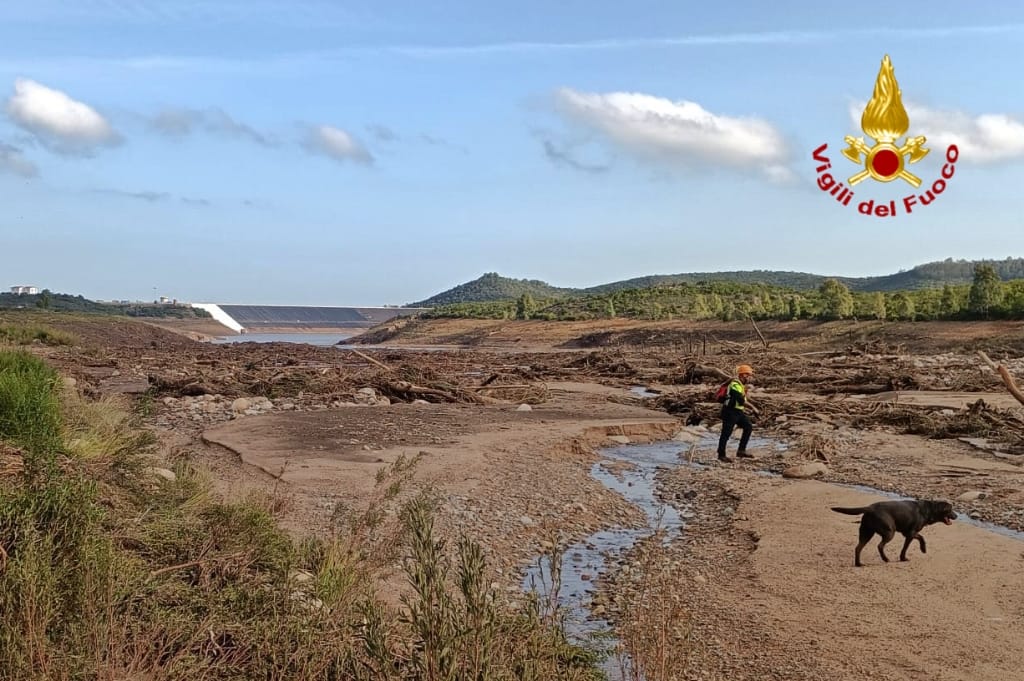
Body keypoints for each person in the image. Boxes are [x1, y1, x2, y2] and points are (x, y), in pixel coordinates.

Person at [717, 364, 759, 462]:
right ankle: (721, 455)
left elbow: (742, 399)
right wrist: (753, 408)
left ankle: (741, 451)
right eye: (747, 375)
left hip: (738, 411)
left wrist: (752, 408)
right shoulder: (735, 384)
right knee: (726, 433)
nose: (749, 377)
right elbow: (740, 400)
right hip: (730, 412)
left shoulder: (740, 385)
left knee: (748, 427)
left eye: (749, 375)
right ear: (742, 375)